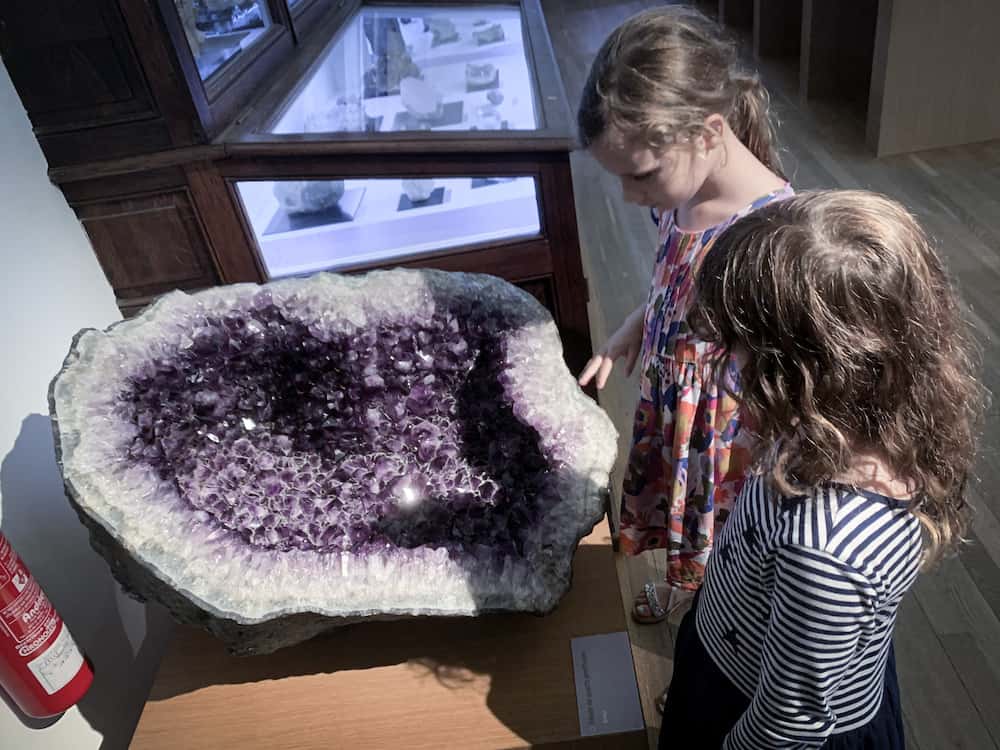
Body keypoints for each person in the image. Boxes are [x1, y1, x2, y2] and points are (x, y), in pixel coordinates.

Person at [660, 190, 986, 748]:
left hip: (751, 711)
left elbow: (788, 720)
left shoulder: (824, 552)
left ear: (799, 374)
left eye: (735, 349)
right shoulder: (834, 427)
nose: (723, 365)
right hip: (735, 649)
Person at [577, 6, 791, 625]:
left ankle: (713, 651)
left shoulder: (768, 236)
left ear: (707, 132)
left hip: (723, 441)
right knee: (686, 537)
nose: (629, 196)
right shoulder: (684, 194)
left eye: (640, 176)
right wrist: (634, 327)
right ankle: (691, 595)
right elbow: (679, 287)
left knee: (723, 550)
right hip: (677, 410)